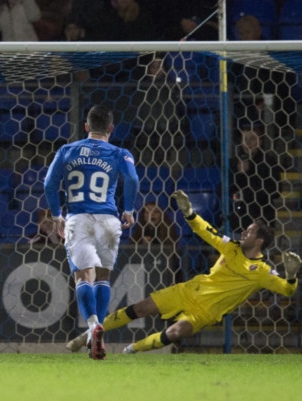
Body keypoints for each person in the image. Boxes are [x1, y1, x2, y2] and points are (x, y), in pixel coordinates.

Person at [93, 190, 300, 354]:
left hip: (205, 312)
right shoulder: (231, 246)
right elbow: (207, 231)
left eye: (250, 231)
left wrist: (291, 277)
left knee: (174, 332)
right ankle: (93, 332)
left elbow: (287, 290)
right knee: (141, 307)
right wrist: (190, 213)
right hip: (189, 290)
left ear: (259, 241)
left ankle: (132, 350)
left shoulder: (263, 272)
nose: (244, 232)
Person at [44, 105, 139, 360]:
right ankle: (97, 332)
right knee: (102, 278)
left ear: (86, 127)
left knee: (82, 277)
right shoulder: (120, 153)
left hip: (79, 218)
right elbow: (132, 179)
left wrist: (56, 215)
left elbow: (49, 184)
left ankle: (93, 325)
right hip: (109, 219)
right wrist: (128, 210)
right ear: (111, 128)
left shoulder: (66, 150)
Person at [229, 125, 281, 232]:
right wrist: (239, 174)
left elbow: (277, 191)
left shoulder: (269, 162)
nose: (248, 143)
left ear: (260, 141)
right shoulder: (233, 163)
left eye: (252, 139)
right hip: (239, 221)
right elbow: (223, 190)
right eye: (245, 139)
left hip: (263, 220)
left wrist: (251, 192)